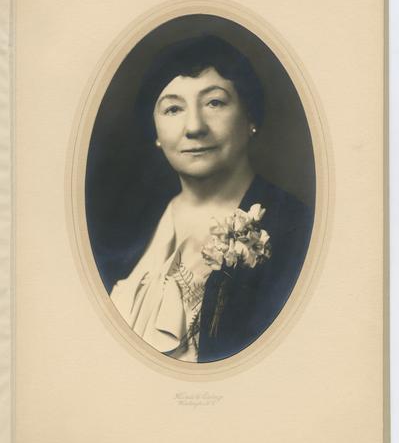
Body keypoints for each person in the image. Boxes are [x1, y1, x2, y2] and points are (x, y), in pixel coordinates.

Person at [109, 35, 313, 363]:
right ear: (156, 132)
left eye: (214, 103)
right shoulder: (126, 229)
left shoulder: (297, 227)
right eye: (173, 108)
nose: (194, 127)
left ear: (251, 119)